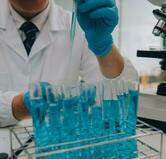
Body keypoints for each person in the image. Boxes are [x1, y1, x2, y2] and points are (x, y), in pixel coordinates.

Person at [0, 0, 138, 127]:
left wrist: (104, 47)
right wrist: (18, 106)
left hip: (60, 148)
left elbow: (120, 97)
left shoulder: (80, 26)